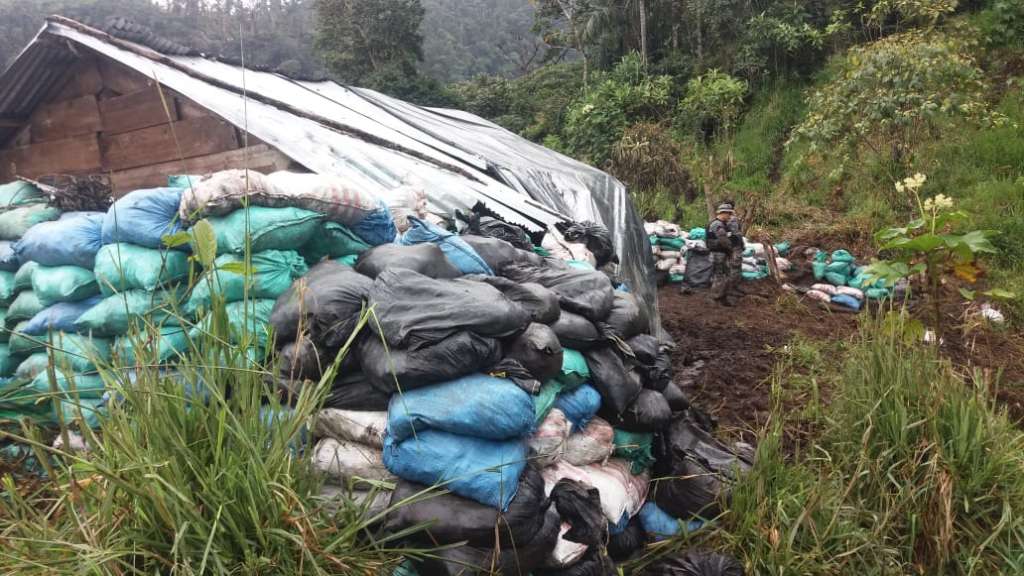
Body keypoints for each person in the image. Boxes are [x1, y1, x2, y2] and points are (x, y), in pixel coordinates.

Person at [707, 203, 743, 305]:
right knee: (720, 276)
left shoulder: (721, 224)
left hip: (721, 253)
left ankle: (722, 297)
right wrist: (731, 249)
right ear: (723, 213)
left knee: (725, 276)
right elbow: (724, 240)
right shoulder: (717, 224)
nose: (729, 217)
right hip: (718, 254)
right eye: (728, 214)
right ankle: (715, 298)